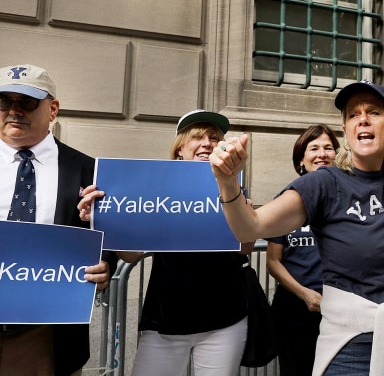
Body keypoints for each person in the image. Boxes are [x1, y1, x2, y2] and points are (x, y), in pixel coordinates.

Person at [210, 0, 384, 375]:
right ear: (346, 130)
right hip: (351, 350)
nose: (362, 119)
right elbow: (250, 227)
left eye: (373, 112)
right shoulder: (324, 184)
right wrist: (227, 180)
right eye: (353, 114)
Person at [79, 110, 251, 376]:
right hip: (165, 318)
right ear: (179, 149)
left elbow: (244, 249)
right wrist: (102, 220)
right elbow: (132, 254)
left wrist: (246, 219)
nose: (207, 143)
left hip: (224, 317)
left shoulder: (233, 188)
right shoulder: (157, 187)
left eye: (214, 137)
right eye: (197, 137)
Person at [0, 63, 116, 375]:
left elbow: (106, 243)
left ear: (52, 110)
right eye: (3, 102)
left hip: (48, 335)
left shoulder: (87, 170)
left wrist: (104, 268)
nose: (13, 111)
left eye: (26, 102)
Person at [266, 124, 340, 375]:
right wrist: (304, 294)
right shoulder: (286, 199)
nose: (322, 154)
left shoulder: (347, 200)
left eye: (328, 148)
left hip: (341, 308)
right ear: (301, 158)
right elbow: (273, 262)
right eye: (314, 148)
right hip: (294, 310)